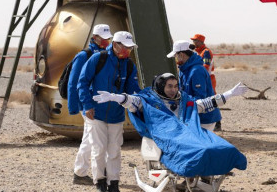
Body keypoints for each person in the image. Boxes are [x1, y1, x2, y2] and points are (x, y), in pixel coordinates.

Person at [92, 73, 248, 177]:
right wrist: (115, 97)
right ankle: (202, 166)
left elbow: (204, 104)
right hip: (169, 136)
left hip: (191, 132)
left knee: (223, 147)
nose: (173, 90)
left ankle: (218, 164)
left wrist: (229, 94)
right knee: (203, 149)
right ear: (161, 87)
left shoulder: (185, 100)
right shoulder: (149, 100)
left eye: (175, 86)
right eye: (169, 86)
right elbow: (133, 101)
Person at [77, 31, 141, 192]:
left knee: (114, 151)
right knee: (98, 150)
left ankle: (114, 184)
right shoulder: (98, 59)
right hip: (96, 114)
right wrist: (87, 105)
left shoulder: (129, 65)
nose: (128, 51)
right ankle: (100, 183)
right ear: (115, 45)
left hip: (116, 115)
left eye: (130, 48)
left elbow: (133, 89)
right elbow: (82, 82)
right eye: (126, 47)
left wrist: (143, 100)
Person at [68, 24, 113, 185]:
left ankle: (82, 172)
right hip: (87, 104)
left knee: (91, 137)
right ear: (95, 38)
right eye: (104, 38)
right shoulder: (84, 56)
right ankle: (85, 173)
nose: (107, 41)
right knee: (93, 138)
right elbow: (74, 83)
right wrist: (74, 106)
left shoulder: (105, 54)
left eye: (108, 38)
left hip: (99, 103)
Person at [167, 40, 220, 132]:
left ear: (182, 54)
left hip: (204, 118)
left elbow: (200, 98)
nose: (175, 58)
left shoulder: (197, 71)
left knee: (201, 145)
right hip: (193, 116)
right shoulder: (183, 69)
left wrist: (181, 103)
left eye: (175, 55)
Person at [190, 34, 222, 131]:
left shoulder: (206, 52)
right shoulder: (199, 52)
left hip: (208, 78)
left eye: (195, 40)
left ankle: (217, 122)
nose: (193, 42)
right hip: (203, 78)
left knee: (212, 99)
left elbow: (205, 66)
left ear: (200, 41)